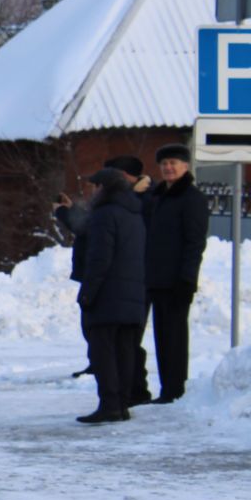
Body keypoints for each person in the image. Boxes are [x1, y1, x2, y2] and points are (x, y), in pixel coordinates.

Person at [74, 166, 147, 424]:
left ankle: (109, 405)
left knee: (103, 353)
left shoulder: (104, 215)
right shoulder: (134, 213)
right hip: (133, 294)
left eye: (94, 186)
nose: (91, 192)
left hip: (108, 296)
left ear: (102, 189)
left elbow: (99, 259)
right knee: (125, 351)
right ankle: (122, 405)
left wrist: (88, 294)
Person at [140, 143, 208, 404]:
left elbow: (194, 243)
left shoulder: (191, 198)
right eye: (164, 163)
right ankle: (167, 388)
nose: (169, 168)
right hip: (156, 277)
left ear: (186, 166)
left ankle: (175, 389)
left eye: (174, 163)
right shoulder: (159, 196)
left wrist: (187, 279)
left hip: (177, 280)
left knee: (175, 337)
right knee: (162, 336)